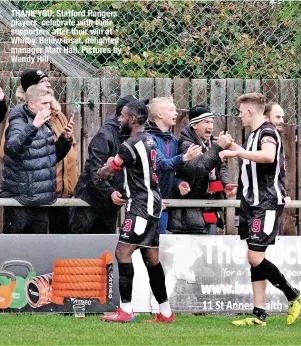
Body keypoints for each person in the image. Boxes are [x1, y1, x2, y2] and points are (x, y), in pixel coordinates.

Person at [221, 93, 301, 326]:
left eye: (240, 112)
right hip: (251, 203)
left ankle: (293, 294)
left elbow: (268, 156)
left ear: (249, 111)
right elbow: (252, 162)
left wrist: (235, 152)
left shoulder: (267, 132)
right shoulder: (253, 136)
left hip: (266, 203)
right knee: (254, 258)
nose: (239, 116)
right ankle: (259, 313)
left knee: (255, 256)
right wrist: (232, 146)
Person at [98, 100, 174, 323]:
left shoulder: (129, 145)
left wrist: (108, 164)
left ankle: (126, 311)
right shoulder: (149, 140)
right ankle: (165, 312)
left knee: (123, 252)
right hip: (153, 204)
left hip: (140, 206)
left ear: (132, 118)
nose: (119, 119)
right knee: (151, 258)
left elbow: (108, 171)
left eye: (122, 116)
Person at [1, 69, 79, 234]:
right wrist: (33, 126)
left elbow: (48, 159)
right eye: (44, 104)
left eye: (49, 103)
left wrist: (65, 140)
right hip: (22, 200)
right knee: (17, 251)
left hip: (42, 200)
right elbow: (11, 148)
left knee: (39, 252)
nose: (48, 107)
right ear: (31, 103)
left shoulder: (45, 119)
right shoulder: (19, 117)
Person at [69, 95, 146, 234]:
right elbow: (95, 171)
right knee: (79, 248)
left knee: (105, 250)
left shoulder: (132, 136)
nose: (138, 118)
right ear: (125, 115)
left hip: (110, 203)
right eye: (135, 112)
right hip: (89, 201)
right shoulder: (105, 136)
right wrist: (110, 192)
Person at [168, 105, 237, 235]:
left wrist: (225, 183)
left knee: (209, 243)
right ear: (194, 125)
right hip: (190, 212)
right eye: (206, 122)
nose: (210, 126)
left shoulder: (209, 144)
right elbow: (200, 167)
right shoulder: (187, 145)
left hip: (209, 207)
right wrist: (218, 148)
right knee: (193, 250)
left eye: (212, 122)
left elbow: (219, 165)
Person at [144, 97, 202, 234]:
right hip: (146, 204)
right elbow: (161, 165)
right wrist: (184, 157)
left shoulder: (174, 141)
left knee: (157, 248)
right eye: (171, 110)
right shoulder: (148, 138)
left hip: (164, 205)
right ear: (159, 114)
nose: (176, 113)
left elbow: (171, 172)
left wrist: (178, 183)